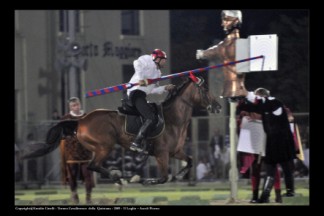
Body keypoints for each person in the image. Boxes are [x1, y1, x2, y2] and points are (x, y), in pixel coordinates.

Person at [240, 88, 296, 203]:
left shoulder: (268, 104)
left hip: (274, 142)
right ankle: (286, 192)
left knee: (272, 170)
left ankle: (272, 195)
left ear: (261, 97)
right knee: (278, 169)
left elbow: (253, 106)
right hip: (277, 141)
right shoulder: (274, 102)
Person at [126, 49, 175, 153]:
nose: (165, 62)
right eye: (163, 59)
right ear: (157, 58)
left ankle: (145, 141)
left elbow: (151, 89)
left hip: (142, 94)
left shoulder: (157, 73)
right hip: (135, 92)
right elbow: (136, 63)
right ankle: (136, 142)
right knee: (151, 118)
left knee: (155, 117)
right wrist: (140, 78)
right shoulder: (148, 60)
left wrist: (165, 88)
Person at [236, 103, 282, 203]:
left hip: (269, 144)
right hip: (256, 144)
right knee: (256, 168)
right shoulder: (245, 113)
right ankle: (255, 196)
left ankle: (276, 195)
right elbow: (240, 126)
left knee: (272, 170)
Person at [196, 10, 246, 100]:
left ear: (236, 21)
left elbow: (216, 50)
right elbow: (214, 50)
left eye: (226, 20)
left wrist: (203, 53)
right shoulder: (225, 43)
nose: (223, 24)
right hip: (228, 87)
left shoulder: (240, 43)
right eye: (223, 20)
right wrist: (202, 53)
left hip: (238, 88)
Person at [60, 97, 94, 204]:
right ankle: (74, 195)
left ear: (80, 104)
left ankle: (88, 198)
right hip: (71, 150)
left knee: (87, 174)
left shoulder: (86, 116)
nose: (76, 107)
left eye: (77, 105)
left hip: (85, 149)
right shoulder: (66, 118)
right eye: (73, 106)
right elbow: (62, 133)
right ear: (70, 107)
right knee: (72, 174)